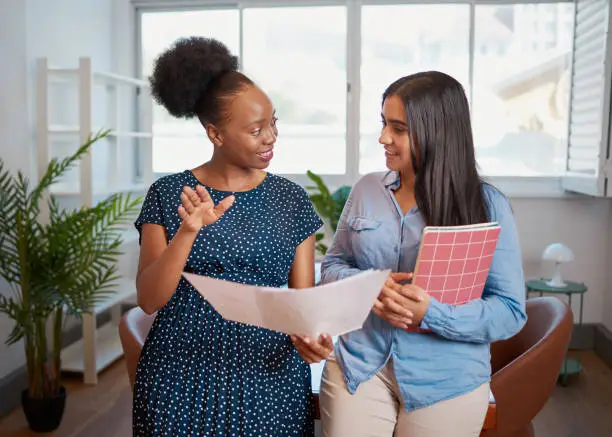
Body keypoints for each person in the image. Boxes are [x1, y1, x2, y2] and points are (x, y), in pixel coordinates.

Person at [132, 36, 333, 437]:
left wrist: (311, 339)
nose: (271, 137)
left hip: (269, 375)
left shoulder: (290, 199)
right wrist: (188, 231)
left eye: (273, 122)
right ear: (215, 134)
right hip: (179, 374)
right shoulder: (170, 194)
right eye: (256, 129)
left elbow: (303, 306)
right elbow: (149, 299)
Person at [319, 71, 527, 437]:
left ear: (437, 131)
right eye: (384, 123)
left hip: (448, 379)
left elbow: (509, 311)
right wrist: (369, 286)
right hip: (361, 366)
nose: (383, 138)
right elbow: (333, 265)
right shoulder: (367, 189)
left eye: (398, 128)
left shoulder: (487, 205)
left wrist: (432, 314)